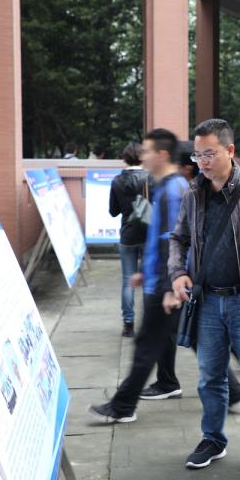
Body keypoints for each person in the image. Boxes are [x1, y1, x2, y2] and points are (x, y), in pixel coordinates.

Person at [168, 119, 240, 479]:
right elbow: (178, 238)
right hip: (208, 302)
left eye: (209, 154)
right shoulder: (192, 193)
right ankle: (213, 439)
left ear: (230, 151)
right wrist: (177, 273)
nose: (202, 162)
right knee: (209, 377)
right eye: (197, 155)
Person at [88, 129, 187, 423]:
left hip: (165, 285)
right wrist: (145, 272)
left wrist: (168, 286)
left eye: (147, 151)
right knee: (185, 339)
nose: (142, 157)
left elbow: (174, 240)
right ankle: (231, 391)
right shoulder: (165, 186)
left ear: (162, 155)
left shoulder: (173, 190)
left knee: (146, 347)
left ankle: (123, 407)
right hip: (159, 280)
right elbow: (159, 238)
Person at [109, 142, 149, 338]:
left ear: (124, 158)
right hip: (148, 234)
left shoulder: (117, 181)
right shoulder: (149, 178)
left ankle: (128, 324)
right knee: (150, 280)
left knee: (127, 281)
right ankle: (150, 322)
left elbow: (113, 211)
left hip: (127, 235)